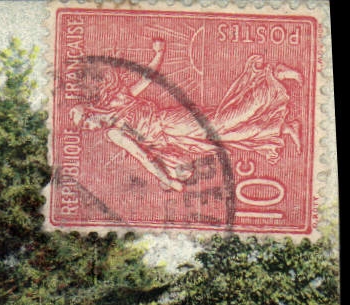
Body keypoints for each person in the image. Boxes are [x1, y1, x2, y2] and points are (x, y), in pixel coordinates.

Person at [71, 40, 302, 192]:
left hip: (169, 122)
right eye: (84, 128)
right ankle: (281, 127)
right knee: (222, 136)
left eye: (84, 122)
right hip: (172, 140)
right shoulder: (113, 133)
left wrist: (158, 54)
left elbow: (147, 79)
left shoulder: (117, 100)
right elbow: (143, 156)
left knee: (221, 124)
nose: (88, 127)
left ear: (90, 112)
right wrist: (166, 178)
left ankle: (273, 78)